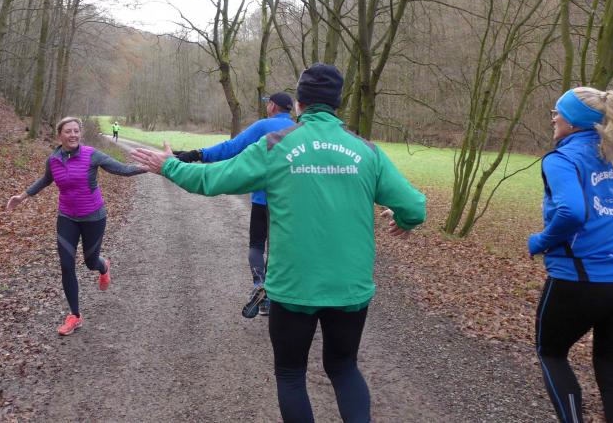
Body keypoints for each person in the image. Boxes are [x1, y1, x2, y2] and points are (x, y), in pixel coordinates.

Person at [131, 63, 426, 422]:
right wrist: (405, 222)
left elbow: (214, 179)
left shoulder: (276, 145)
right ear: (338, 103)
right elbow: (413, 207)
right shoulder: (366, 150)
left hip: (293, 288)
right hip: (350, 288)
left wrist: (169, 166)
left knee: (291, 374)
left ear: (299, 102)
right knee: (344, 368)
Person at [528, 87, 613, 423]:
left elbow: (571, 212)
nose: (553, 117)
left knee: (551, 353)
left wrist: (540, 241)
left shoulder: (562, 159)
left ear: (573, 121)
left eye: (558, 111)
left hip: (577, 278)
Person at [7, 117, 145, 335]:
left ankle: (103, 266)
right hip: (67, 217)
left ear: (80, 133)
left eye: (76, 131)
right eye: (68, 131)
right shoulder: (53, 160)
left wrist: (155, 167)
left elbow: (123, 169)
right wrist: (21, 196)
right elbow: (45, 180)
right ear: (59, 135)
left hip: (93, 217)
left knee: (91, 262)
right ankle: (75, 316)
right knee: (66, 264)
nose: (73, 135)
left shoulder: (92, 155)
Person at [173, 92, 295, 317]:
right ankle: (278, 295)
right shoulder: (299, 130)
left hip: (262, 199)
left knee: (257, 245)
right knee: (278, 248)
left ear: (272, 106)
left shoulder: (263, 126)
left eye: (268, 104)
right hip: (290, 202)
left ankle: (260, 287)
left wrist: (196, 154)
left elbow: (232, 147)